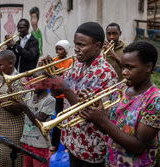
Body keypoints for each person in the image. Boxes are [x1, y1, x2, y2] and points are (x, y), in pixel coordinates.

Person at [79, 40, 160, 166]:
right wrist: (94, 113)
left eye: (130, 67)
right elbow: (109, 128)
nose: (123, 72)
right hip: (111, 160)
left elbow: (138, 146)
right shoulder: (122, 88)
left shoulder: (157, 101)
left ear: (148, 67)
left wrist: (102, 120)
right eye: (123, 67)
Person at [42, 22, 118, 166]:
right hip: (72, 140)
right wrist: (51, 75)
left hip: (91, 146)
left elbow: (92, 113)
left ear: (97, 45)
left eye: (81, 45)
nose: (76, 49)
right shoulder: (77, 64)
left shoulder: (106, 74)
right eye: (75, 44)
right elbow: (58, 93)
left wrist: (65, 88)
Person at [14, 71, 56, 167]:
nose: (33, 84)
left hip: (40, 145)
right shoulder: (29, 95)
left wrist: (25, 107)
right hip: (26, 142)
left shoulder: (50, 100)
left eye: (37, 82)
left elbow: (39, 120)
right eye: (32, 81)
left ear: (46, 83)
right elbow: (18, 109)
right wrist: (13, 97)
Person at [50, 40, 73, 152]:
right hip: (56, 94)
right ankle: (54, 143)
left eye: (61, 49)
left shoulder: (70, 61)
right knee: (58, 120)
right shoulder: (54, 60)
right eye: (57, 49)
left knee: (67, 119)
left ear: (66, 50)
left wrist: (55, 69)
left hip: (66, 95)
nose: (58, 52)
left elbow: (66, 75)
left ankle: (68, 145)